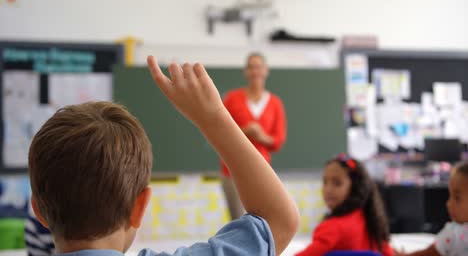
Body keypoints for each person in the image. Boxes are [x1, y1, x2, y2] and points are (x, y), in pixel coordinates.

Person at [28, 56, 299, 256]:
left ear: (39, 210)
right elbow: (279, 221)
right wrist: (214, 118)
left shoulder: (274, 103)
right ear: (139, 207)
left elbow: (278, 139)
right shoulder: (237, 99)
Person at [221, 52, 287, 220]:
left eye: (258, 67)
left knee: (260, 220)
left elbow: (278, 141)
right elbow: (220, 131)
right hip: (232, 170)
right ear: (246, 71)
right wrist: (245, 132)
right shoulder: (232, 99)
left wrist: (261, 136)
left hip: (262, 170)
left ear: (265, 70)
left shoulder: (275, 103)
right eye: (250, 67)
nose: (255, 71)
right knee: (237, 222)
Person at [295, 154, 393, 256]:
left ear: (355, 188)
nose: (328, 189)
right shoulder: (372, 222)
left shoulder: (332, 227)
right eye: (325, 182)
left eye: (337, 183)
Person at [395, 163, 468, 256]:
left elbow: (426, 254)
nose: (448, 203)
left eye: (457, 198)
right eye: (450, 196)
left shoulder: (454, 233)